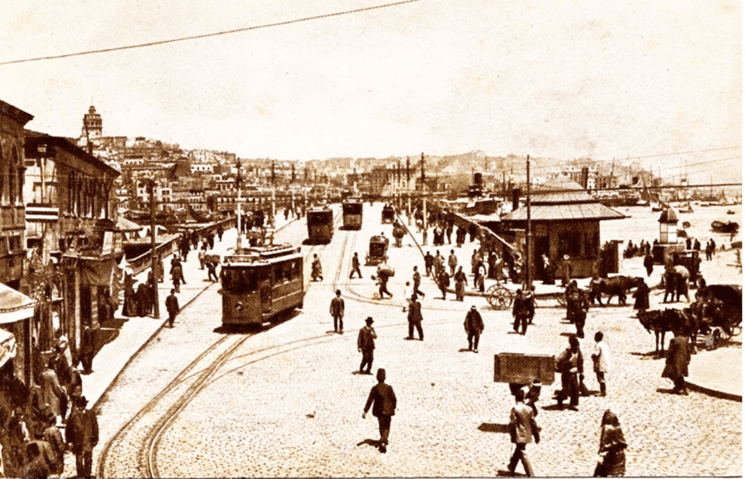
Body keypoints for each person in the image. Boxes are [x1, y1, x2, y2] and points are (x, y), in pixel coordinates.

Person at [362, 368, 397, 454]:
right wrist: (393, 408)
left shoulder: (375, 388)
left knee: (381, 426)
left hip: (379, 412)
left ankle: (383, 440)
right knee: (387, 427)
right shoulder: (389, 388)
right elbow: (394, 399)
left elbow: (369, 401)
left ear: (377, 377)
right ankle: (384, 441)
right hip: (388, 411)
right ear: (385, 377)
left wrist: (365, 411)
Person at [508, 387, 540, 477]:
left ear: (516, 399)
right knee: (518, 450)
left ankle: (530, 473)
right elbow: (533, 423)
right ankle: (511, 467)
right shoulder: (529, 409)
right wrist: (536, 435)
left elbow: (512, 423)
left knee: (521, 452)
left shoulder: (515, 408)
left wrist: (510, 432)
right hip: (527, 434)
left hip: (519, 435)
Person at [66, 396, 99, 479]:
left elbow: (95, 427)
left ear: (85, 405)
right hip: (77, 441)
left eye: (82, 406)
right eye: (79, 406)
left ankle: (87, 474)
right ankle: (80, 475)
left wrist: (95, 438)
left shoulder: (91, 414)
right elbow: (68, 429)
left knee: (88, 458)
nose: (80, 408)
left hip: (88, 439)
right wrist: (69, 441)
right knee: (79, 459)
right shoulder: (73, 416)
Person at [594, 410, 627, 477]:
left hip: (609, 457)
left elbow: (604, 444)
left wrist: (601, 454)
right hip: (620, 457)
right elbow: (623, 443)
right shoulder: (618, 428)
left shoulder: (606, 428)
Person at [555, 335, 583, 410]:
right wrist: (565, 366)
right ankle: (559, 400)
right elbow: (558, 359)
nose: (576, 347)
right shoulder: (567, 352)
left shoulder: (578, 352)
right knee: (566, 389)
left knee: (575, 389)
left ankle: (573, 404)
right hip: (566, 373)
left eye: (577, 346)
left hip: (574, 373)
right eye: (574, 346)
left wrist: (581, 372)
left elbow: (581, 361)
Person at [662, 329, 691, 395]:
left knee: (673, 374)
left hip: (676, 360)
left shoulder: (673, 340)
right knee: (680, 374)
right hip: (683, 359)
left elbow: (670, 351)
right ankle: (680, 387)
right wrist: (688, 359)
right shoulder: (685, 340)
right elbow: (688, 350)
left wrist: (668, 360)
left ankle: (680, 387)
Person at [40, 361, 65, 425]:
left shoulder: (43, 374)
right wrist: (61, 392)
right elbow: (56, 386)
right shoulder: (53, 374)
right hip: (52, 397)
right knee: (53, 414)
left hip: (44, 396)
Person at [591, 331, 610, 397]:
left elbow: (596, 354)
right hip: (605, 362)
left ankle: (603, 391)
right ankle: (603, 390)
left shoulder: (598, 345)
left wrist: (592, 356)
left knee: (600, 377)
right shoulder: (605, 344)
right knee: (602, 376)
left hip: (599, 363)